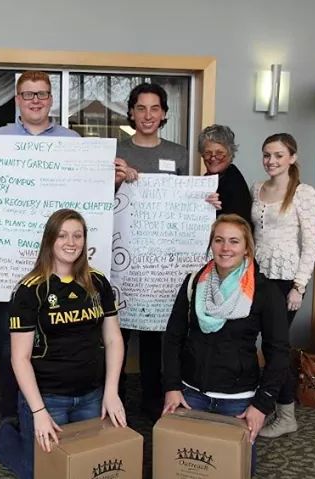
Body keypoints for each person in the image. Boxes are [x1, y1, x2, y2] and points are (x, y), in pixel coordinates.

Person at [0, 71, 135, 425]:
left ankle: (69, 409)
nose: (35, 100)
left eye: (41, 94)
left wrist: (111, 182)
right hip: (11, 266)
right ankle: (13, 417)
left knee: (68, 341)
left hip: (63, 270)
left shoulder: (73, 141)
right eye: (27, 94)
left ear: (51, 99)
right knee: (11, 347)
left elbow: (88, 201)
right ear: (17, 100)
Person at [162, 214, 289, 473]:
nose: (225, 248)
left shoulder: (265, 292)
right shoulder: (194, 283)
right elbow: (172, 338)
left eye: (234, 241)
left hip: (239, 402)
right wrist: (172, 387)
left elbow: (278, 353)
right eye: (219, 240)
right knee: (186, 470)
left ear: (246, 248)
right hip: (191, 395)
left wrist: (262, 405)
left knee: (233, 471)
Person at [8, 208, 126, 479]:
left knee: (88, 468)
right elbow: (19, 358)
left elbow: (113, 338)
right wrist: (38, 411)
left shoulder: (98, 283)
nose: (70, 242)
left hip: (91, 395)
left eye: (77, 235)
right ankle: (5, 438)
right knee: (42, 472)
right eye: (62, 235)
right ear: (49, 240)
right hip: (48, 399)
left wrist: (111, 392)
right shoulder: (29, 290)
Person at [115, 83, 189, 420]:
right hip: (121, 261)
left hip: (161, 264)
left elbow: (186, 203)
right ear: (131, 112)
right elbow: (94, 201)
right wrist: (115, 180)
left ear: (164, 114)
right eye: (140, 108)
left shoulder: (179, 154)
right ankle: (112, 401)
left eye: (154, 108)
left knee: (155, 338)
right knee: (116, 332)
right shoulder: (115, 151)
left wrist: (206, 202)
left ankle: (150, 402)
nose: (147, 115)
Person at [252, 133, 315, 438]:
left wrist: (299, 286)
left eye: (278, 155)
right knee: (259, 344)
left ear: (292, 157)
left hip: (286, 279)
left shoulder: (304, 193)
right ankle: (264, 405)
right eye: (267, 155)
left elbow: (311, 245)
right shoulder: (257, 188)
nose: (271, 161)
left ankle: (286, 414)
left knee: (276, 347)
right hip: (257, 276)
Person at [199, 124, 252, 225]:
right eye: (208, 153)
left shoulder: (234, 183)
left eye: (219, 153)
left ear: (230, 155)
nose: (213, 158)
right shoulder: (208, 179)